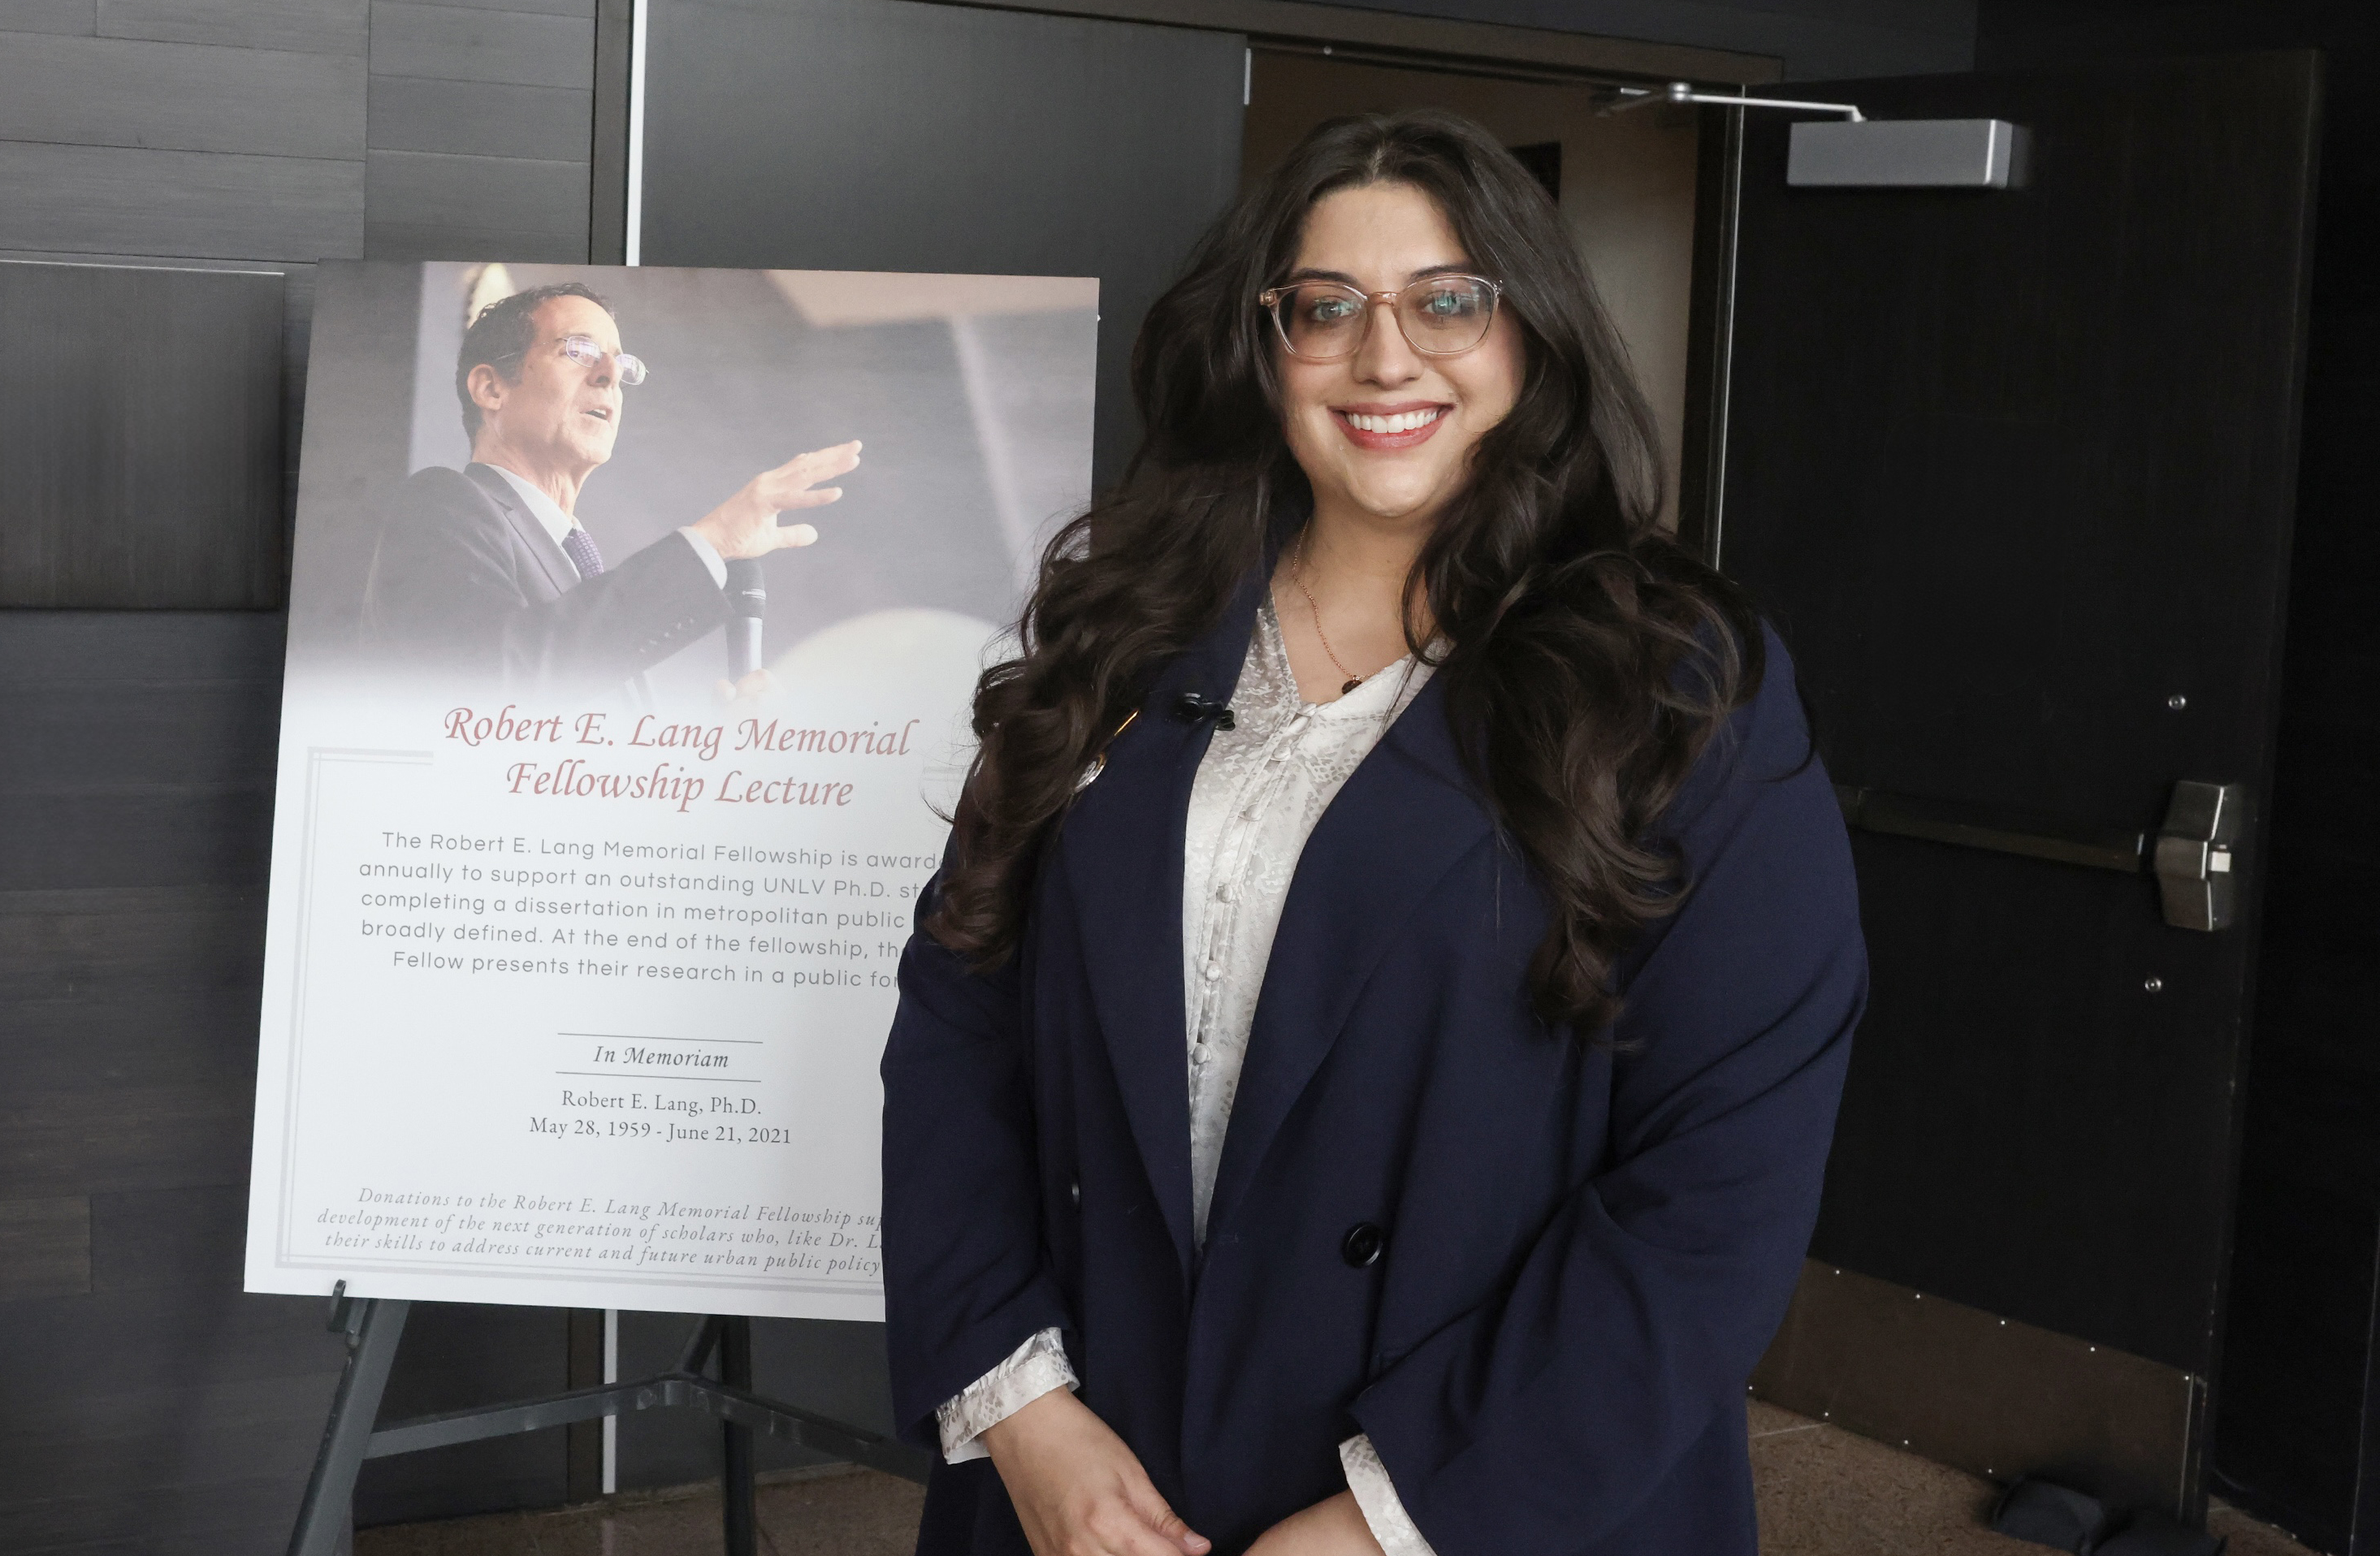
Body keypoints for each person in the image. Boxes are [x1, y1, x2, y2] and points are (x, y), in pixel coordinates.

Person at [880, 110, 1867, 1556]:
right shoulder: (1126, 631)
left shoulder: (1678, 686)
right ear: (1261, 345)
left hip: (1488, 1496)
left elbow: (1716, 1188)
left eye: (1448, 300)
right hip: (1097, 1482)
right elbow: (957, 1015)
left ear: (1528, 334)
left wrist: (1393, 1519)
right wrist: (1018, 1410)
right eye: (1325, 307)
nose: (1385, 356)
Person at [358, 281, 859, 690]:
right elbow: (497, 679)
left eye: (620, 364)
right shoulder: (445, 503)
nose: (609, 376)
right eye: (579, 351)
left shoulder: (577, 573)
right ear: (491, 388)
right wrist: (711, 542)